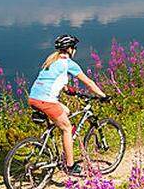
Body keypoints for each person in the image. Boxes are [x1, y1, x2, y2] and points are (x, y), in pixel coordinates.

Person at [27, 34, 108, 177]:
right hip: (46, 101)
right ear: (70, 49)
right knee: (67, 128)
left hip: (34, 98)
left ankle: (55, 143)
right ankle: (69, 166)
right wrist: (104, 96)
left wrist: (71, 91)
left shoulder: (51, 61)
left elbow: (56, 81)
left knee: (66, 110)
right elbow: (89, 83)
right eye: (74, 48)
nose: (75, 50)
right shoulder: (68, 63)